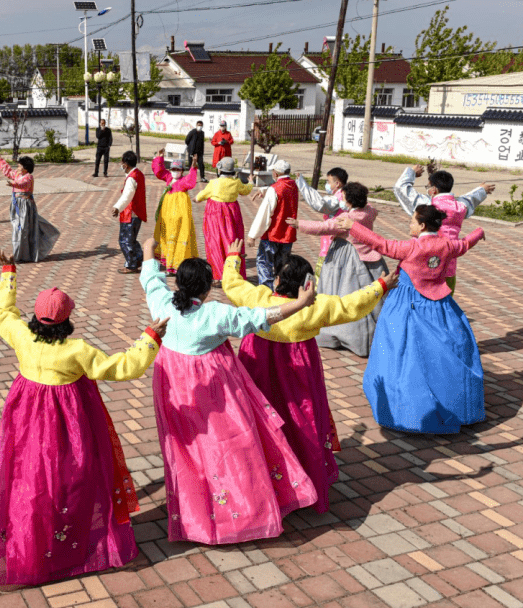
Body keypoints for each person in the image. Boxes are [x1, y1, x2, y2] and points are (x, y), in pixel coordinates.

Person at [0, 248, 167, 586]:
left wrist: (9, 272)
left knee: (31, 476)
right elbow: (123, 367)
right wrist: (149, 339)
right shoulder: (78, 351)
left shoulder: (22, 336)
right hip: (68, 425)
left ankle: (32, 545)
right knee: (70, 479)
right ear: (67, 320)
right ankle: (70, 541)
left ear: (35, 318)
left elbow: (3, 313)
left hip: (26, 419)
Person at [140, 238, 319, 544]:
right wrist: (301, 304)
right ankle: (243, 513)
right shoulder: (214, 314)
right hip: (213, 390)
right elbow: (261, 317)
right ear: (207, 287)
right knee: (229, 445)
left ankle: (196, 512)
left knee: (187, 449)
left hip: (173, 389)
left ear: (178, 283)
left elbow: (150, 279)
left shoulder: (163, 303)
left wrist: (148, 249)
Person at [223, 242, 395, 513]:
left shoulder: (258, 300)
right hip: (299, 372)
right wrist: (381, 285)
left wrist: (233, 257)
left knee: (262, 418)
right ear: (306, 285)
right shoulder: (314, 307)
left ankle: (267, 480)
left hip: (258, 367)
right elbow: (351, 305)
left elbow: (232, 284)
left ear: (277, 280)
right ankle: (304, 476)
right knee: (301, 418)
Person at [336, 207, 485, 434]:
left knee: (401, 350)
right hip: (439, 307)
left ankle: (407, 409)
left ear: (423, 226)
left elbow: (381, 244)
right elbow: (464, 245)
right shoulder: (447, 244)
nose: (409, 225)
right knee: (444, 350)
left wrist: (352, 226)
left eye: (412, 221)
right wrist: (478, 232)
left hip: (406, 305)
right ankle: (455, 402)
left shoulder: (411, 247)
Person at [287, 182, 389, 357]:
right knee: (370, 293)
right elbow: (374, 211)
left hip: (347, 256)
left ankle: (346, 334)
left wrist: (298, 224)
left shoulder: (348, 220)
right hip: (368, 256)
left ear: (349, 201)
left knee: (343, 292)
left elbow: (324, 227)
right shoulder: (369, 211)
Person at [393, 165, 494, 294]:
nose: (427, 190)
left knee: (419, 302)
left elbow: (401, 188)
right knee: (444, 304)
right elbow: (470, 199)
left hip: (422, 266)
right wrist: (482, 190)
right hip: (448, 268)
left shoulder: (426, 206)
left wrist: (411, 172)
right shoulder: (459, 207)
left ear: (434, 190)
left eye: (428, 187)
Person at [195, 157, 254, 285]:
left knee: (215, 243)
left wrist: (196, 199)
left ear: (219, 170)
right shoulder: (236, 182)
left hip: (215, 215)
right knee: (232, 241)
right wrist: (251, 182)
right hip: (232, 214)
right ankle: (234, 273)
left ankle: (218, 275)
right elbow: (246, 190)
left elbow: (200, 196)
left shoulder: (213, 183)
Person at [0, 153, 60, 263]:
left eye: (20, 166)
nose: (18, 168)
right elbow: (7, 171)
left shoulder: (28, 177)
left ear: (26, 169)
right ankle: (20, 254)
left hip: (25, 206)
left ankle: (20, 255)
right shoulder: (17, 174)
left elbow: (22, 184)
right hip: (16, 205)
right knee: (18, 229)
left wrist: (13, 185)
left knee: (22, 230)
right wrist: (0, 160)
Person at [247, 160, 298, 290]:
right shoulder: (294, 185)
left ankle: (266, 289)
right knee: (282, 264)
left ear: (275, 173)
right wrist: (265, 191)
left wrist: (252, 235)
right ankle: (281, 288)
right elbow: (281, 190)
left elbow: (263, 214)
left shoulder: (274, 189)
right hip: (288, 233)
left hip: (273, 233)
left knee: (264, 262)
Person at [295, 168, 351, 279]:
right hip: (342, 241)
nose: (326, 184)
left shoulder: (337, 199)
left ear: (337, 183)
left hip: (331, 242)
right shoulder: (347, 195)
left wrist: (302, 184)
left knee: (323, 275)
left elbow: (318, 203)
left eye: (328, 182)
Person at [151, 151, 199, 274]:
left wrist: (193, 166)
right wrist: (159, 158)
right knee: (167, 237)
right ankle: (169, 262)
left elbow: (191, 181)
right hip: (167, 216)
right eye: (172, 168)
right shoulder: (169, 178)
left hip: (179, 217)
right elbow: (159, 171)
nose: (175, 171)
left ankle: (177, 264)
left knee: (178, 238)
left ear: (182, 171)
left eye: (177, 169)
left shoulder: (183, 182)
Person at [111, 150, 147, 274]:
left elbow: (127, 196)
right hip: (138, 213)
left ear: (125, 164)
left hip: (130, 213)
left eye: (122, 162)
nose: (121, 165)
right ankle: (139, 259)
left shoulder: (132, 178)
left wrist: (117, 207)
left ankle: (131, 264)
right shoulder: (139, 174)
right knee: (132, 240)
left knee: (124, 240)